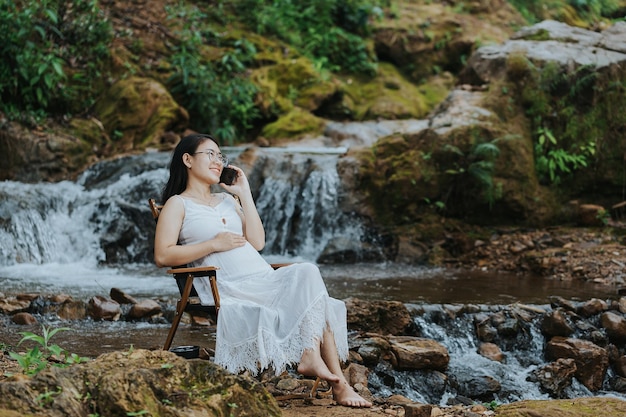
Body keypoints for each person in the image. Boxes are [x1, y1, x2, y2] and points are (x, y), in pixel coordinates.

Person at [154, 133, 372, 408]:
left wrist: (244, 193)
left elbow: (257, 242)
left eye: (220, 156)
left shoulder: (227, 200)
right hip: (228, 286)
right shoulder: (178, 204)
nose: (218, 161)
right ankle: (339, 384)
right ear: (187, 159)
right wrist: (213, 243)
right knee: (319, 300)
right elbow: (163, 255)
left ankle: (315, 361)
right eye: (210, 154)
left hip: (263, 279)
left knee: (308, 273)